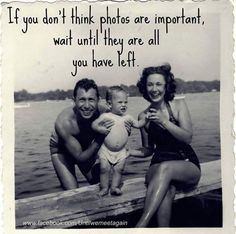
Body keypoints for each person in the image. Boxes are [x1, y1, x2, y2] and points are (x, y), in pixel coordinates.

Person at [130, 64, 201, 227]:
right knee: (167, 190)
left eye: (158, 84)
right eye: (150, 84)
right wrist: (128, 152)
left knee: (165, 168)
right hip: (158, 164)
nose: (154, 89)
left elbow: (187, 138)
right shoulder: (143, 116)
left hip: (186, 164)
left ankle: (140, 226)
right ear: (144, 87)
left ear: (166, 86)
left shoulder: (178, 105)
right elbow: (148, 149)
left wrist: (164, 121)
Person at [49, 78, 114, 190]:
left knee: (103, 185)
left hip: (86, 147)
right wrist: (101, 136)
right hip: (62, 151)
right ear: (74, 100)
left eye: (91, 100)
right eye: (82, 100)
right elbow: (80, 158)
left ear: (98, 100)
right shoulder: (64, 122)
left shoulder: (104, 113)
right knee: (72, 193)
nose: (87, 106)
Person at [92, 86, 147, 196]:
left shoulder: (128, 118)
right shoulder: (106, 116)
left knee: (119, 169)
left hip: (121, 151)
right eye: (120, 102)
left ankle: (115, 187)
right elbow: (94, 124)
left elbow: (139, 124)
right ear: (109, 104)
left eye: (125, 102)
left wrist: (146, 117)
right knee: (104, 169)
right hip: (106, 150)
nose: (123, 105)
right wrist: (100, 129)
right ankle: (104, 188)